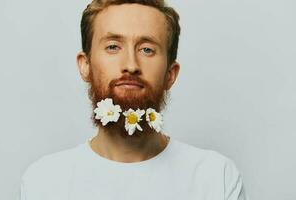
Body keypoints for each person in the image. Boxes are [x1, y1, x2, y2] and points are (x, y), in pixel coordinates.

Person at [18, 0, 248, 199]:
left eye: (147, 49)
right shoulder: (44, 182)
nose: (130, 65)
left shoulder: (216, 178)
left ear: (171, 73)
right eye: (113, 47)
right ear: (85, 66)